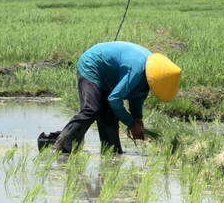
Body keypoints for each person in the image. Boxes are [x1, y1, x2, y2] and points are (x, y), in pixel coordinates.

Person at [54, 41, 182, 154]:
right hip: (93, 64)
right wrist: (131, 124)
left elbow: (137, 97)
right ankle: (62, 145)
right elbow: (114, 99)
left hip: (110, 75)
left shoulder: (150, 74)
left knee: (109, 118)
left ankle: (111, 152)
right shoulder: (136, 71)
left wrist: (137, 118)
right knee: (92, 110)